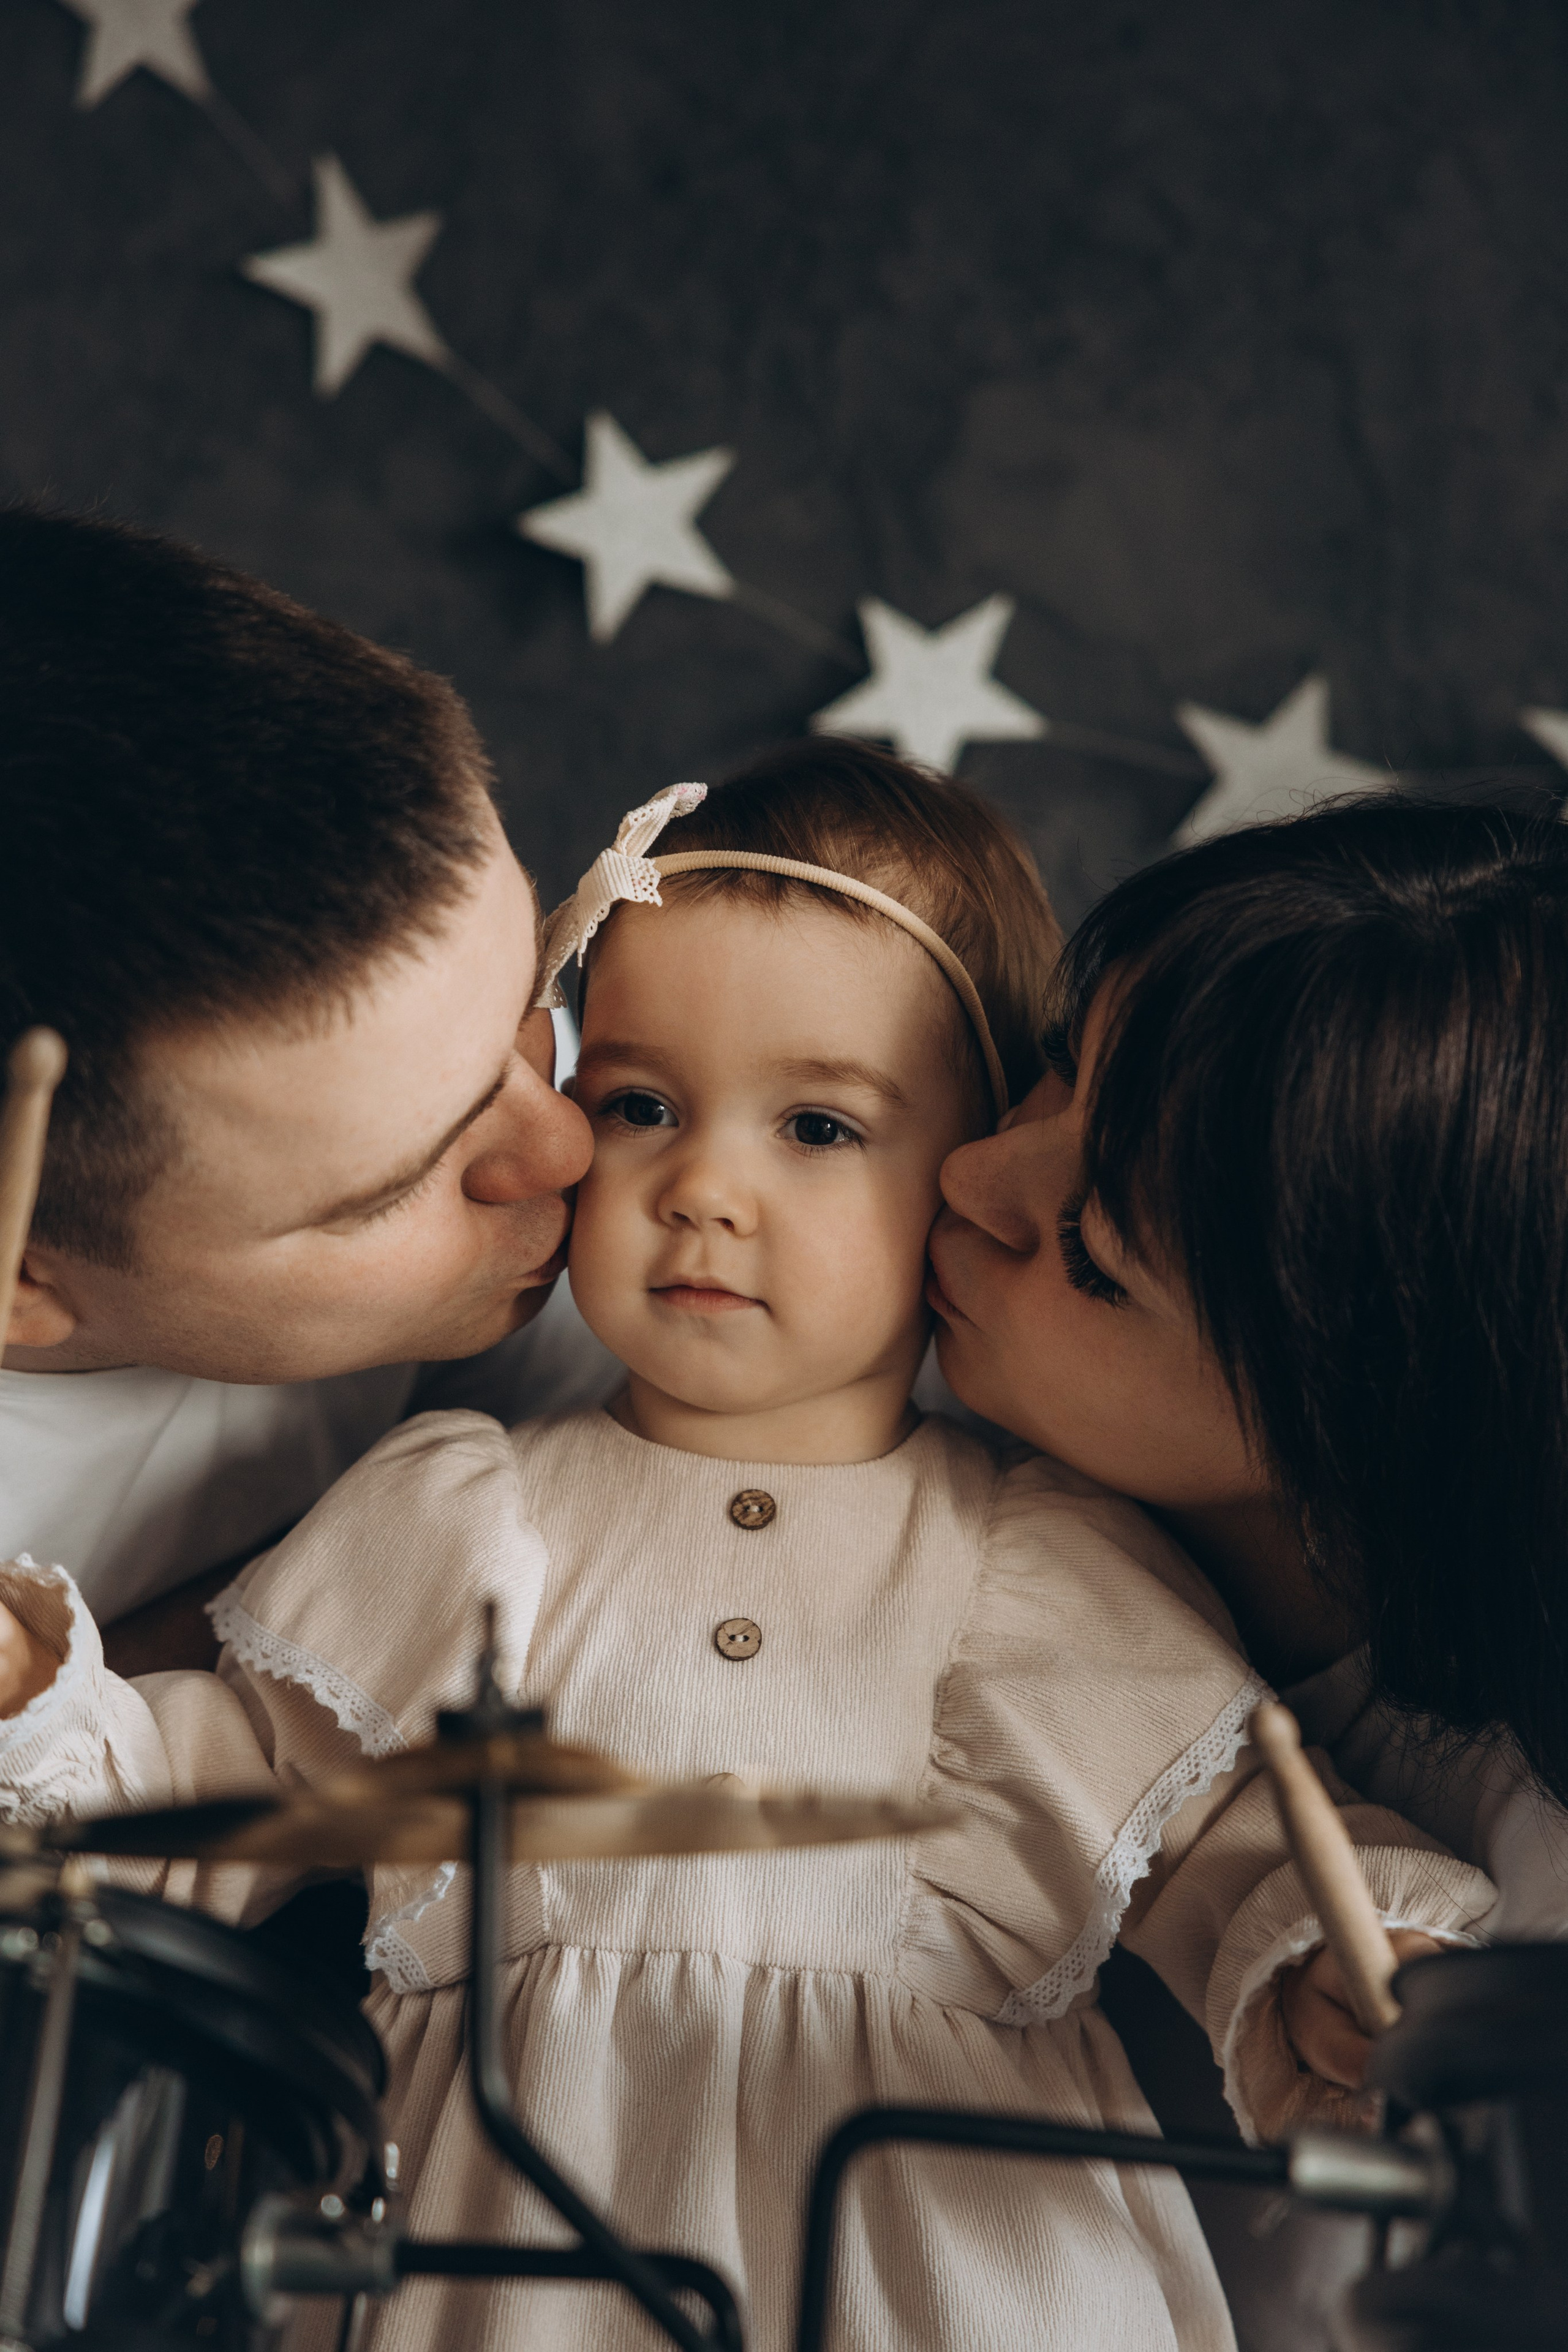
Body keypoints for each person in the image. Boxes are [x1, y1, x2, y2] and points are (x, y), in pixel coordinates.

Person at [0, 750, 1491, 2352]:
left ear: (971, 1167)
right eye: (640, 1104)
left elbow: (1227, 1850)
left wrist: (1341, 1972)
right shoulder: (467, 1506)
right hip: (508, 2236)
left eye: (819, 1125)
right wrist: (50, 1711)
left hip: (947, 2249)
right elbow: (243, 1788)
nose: (704, 1186)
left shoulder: (1040, 1556)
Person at [0, 506, 617, 1677]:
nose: (570, 1143)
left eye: (535, 992)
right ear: (26, 1271)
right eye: (395, 1186)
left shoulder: (442, 1071)